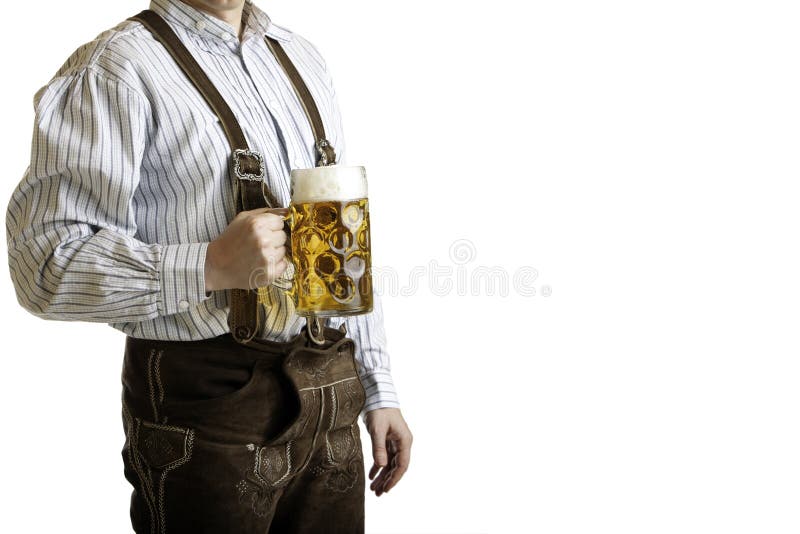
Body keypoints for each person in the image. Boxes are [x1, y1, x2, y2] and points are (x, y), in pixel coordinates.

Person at [5, 0, 412, 531]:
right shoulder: (115, 69)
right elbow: (43, 267)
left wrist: (377, 386)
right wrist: (209, 265)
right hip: (206, 406)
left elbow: (342, 248)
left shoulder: (300, 57)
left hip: (330, 392)